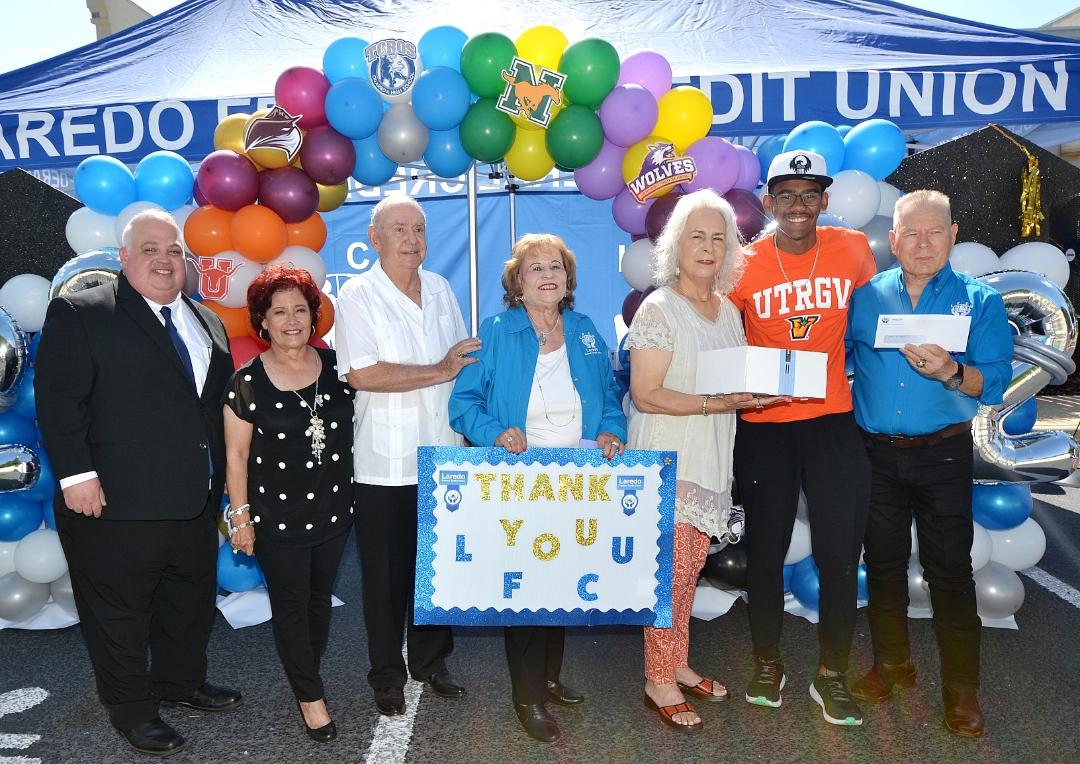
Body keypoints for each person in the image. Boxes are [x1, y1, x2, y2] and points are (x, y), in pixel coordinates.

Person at [34, 209, 241, 758]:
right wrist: (78, 476)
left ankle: (180, 683)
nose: (164, 260)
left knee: (188, 601)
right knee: (119, 615)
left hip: (194, 500)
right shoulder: (81, 311)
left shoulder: (207, 320)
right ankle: (132, 710)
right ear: (124, 259)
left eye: (173, 250)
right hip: (113, 504)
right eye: (149, 249)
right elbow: (60, 401)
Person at [449, 233, 627, 743]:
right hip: (518, 480)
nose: (548, 275)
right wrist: (493, 434)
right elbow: (464, 405)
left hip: (577, 479)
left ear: (568, 280)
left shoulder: (586, 330)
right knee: (525, 587)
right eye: (535, 268)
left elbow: (611, 396)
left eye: (556, 267)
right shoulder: (497, 331)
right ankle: (526, 695)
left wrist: (613, 428)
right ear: (517, 283)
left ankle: (549, 676)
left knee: (564, 577)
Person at [848, 190, 1011, 738]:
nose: (922, 244)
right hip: (875, 454)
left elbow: (994, 385)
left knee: (949, 573)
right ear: (892, 241)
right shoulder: (866, 297)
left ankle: (962, 693)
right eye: (910, 234)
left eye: (933, 232)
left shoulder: (980, 301)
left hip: (943, 453)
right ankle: (893, 665)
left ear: (953, 233)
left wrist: (950, 372)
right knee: (885, 567)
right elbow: (840, 361)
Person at [627, 189, 786, 733]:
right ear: (676, 245)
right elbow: (647, 393)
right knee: (667, 577)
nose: (709, 247)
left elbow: (732, 381)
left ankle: (677, 662)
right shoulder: (658, 306)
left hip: (711, 455)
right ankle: (657, 679)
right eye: (697, 235)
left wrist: (761, 393)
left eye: (719, 237)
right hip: (668, 458)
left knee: (688, 572)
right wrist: (721, 402)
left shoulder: (727, 310)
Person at [729, 150, 876, 726]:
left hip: (832, 422)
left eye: (809, 194)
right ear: (768, 202)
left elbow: (872, 314)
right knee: (764, 553)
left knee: (840, 554)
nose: (797, 205)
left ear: (825, 201)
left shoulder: (853, 250)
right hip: (765, 426)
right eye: (785, 194)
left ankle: (832, 675)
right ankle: (769, 661)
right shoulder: (742, 266)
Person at [334, 195, 478, 716]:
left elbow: (462, 362)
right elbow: (362, 373)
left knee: (437, 567)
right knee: (385, 576)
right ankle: (387, 675)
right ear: (374, 238)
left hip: (442, 455)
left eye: (419, 229)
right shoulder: (357, 293)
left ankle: (432, 661)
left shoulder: (440, 287)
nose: (412, 239)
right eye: (400, 229)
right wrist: (439, 369)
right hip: (383, 463)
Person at [223, 266, 355, 743]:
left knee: (319, 601)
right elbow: (235, 456)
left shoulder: (340, 367)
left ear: (314, 316)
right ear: (262, 322)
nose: (292, 320)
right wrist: (240, 518)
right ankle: (310, 698)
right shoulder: (246, 382)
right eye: (279, 311)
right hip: (276, 516)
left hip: (336, 511)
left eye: (300, 309)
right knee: (292, 604)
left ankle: (305, 672)